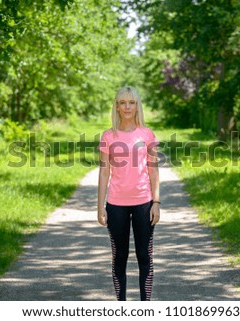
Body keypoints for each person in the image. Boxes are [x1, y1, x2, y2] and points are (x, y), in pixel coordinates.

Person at [97, 86, 160, 301]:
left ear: (137, 106)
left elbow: (153, 170)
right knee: (119, 257)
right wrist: (100, 207)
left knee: (145, 256)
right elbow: (104, 172)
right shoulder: (109, 136)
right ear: (116, 106)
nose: (127, 107)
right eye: (122, 102)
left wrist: (156, 202)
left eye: (131, 102)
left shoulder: (147, 134)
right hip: (115, 205)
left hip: (144, 202)